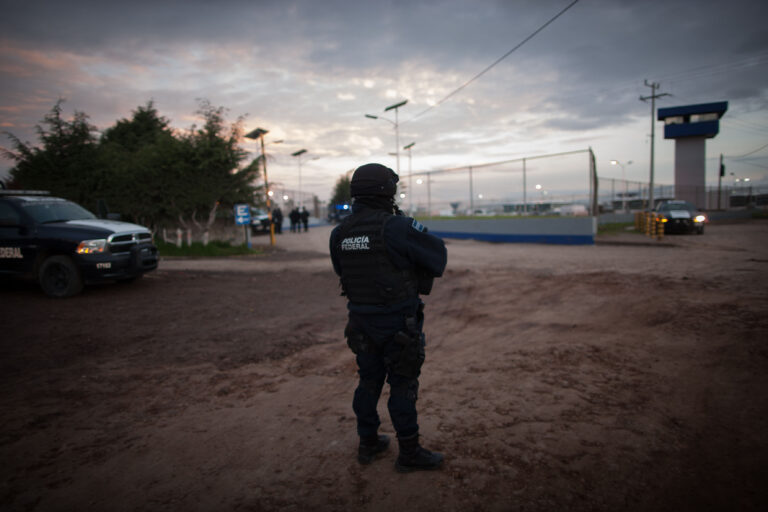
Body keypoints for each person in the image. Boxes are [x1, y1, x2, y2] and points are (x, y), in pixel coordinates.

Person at [329, 162, 447, 472]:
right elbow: (438, 258)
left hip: (360, 324)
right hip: (398, 324)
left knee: (368, 382)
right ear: (388, 191)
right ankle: (409, 452)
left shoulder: (339, 233)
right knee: (403, 385)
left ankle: (368, 442)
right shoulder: (397, 226)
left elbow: (343, 272)